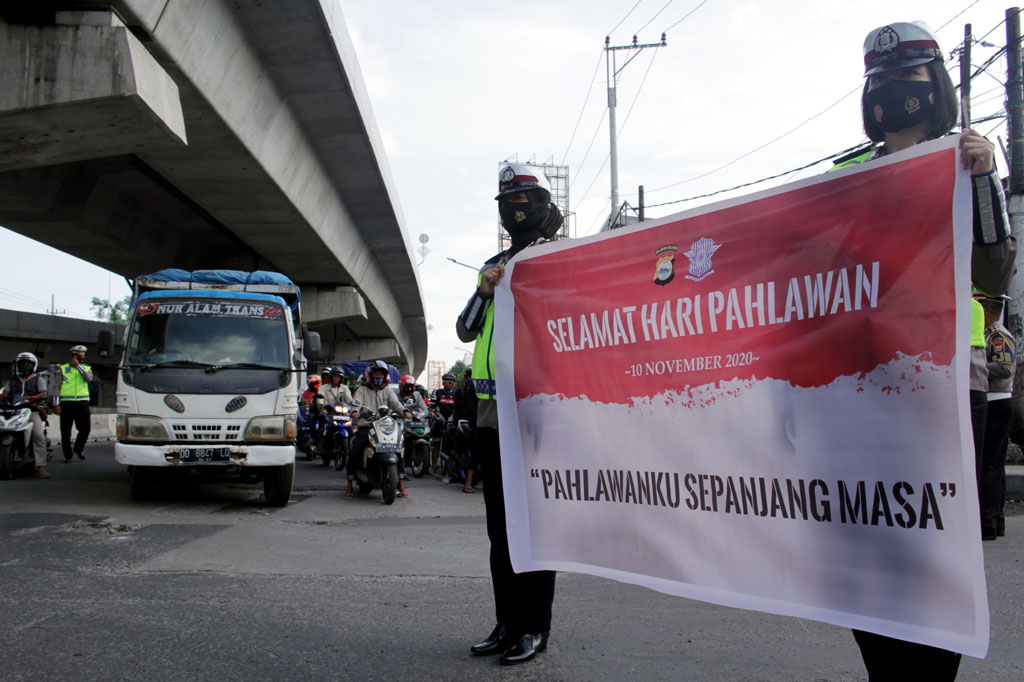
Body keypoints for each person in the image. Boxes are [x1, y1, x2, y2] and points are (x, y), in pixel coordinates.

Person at [833, 22, 1017, 681]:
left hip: (943, 377)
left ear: (933, 86)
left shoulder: (964, 166)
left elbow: (994, 277)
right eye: (879, 82)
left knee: (932, 547)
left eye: (905, 80)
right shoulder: (846, 174)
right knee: (864, 546)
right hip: (855, 382)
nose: (890, 94)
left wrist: (986, 178)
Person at [457, 163, 563, 665]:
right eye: (507, 201)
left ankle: (534, 627)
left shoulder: (559, 257)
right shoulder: (495, 264)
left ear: (541, 204)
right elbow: (464, 330)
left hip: (537, 409)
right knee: (499, 527)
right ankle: (506, 622)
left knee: (534, 525)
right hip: (490, 412)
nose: (515, 209)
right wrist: (485, 289)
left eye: (524, 199)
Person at [979, 295, 1015, 541]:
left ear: (989, 309)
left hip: (997, 402)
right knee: (994, 464)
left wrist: (977, 365)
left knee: (990, 464)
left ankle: (989, 521)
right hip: (994, 401)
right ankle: (996, 519)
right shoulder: (989, 334)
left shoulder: (998, 335)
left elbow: (1005, 367)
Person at [345, 360, 407, 500]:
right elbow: (356, 403)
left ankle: (401, 483)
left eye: (381, 374)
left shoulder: (388, 390)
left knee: (400, 448)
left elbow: (396, 404)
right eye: (376, 374)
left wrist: (405, 411)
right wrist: (355, 411)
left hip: (385, 426)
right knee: (356, 449)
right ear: (370, 375)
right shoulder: (362, 390)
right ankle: (349, 484)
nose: (378, 377)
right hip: (367, 425)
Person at [1, 352, 50, 478]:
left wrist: (31, 398)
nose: (25, 366)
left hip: (30, 411)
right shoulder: (13, 381)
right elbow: (4, 393)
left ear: (33, 365)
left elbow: (43, 394)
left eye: (28, 364)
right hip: (12, 411)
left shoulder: (38, 379)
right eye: (23, 364)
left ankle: (41, 467)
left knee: (38, 436)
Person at [58, 344, 93, 463]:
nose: (81, 358)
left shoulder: (87, 368)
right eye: (78, 356)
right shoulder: (62, 368)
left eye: (82, 356)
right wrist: (55, 404)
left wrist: (79, 367)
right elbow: (55, 386)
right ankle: (67, 455)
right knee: (65, 431)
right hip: (66, 403)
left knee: (86, 428)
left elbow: (88, 379)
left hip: (82, 403)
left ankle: (78, 448)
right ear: (73, 356)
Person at [431, 372, 457, 474]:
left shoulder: (455, 394)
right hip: (439, 421)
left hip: (450, 423)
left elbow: (457, 409)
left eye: (449, 382)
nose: (446, 384)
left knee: (448, 447)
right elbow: (431, 406)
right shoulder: (437, 393)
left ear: (453, 384)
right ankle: (433, 466)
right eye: (444, 382)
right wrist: (432, 414)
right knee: (436, 444)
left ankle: (447, 471)